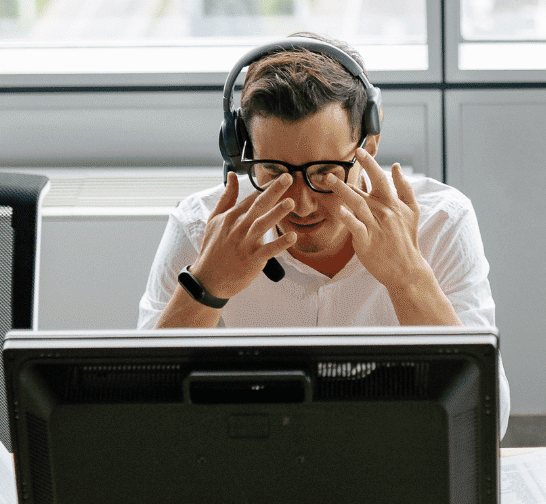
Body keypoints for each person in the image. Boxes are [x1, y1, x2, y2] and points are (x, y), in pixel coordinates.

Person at [138, 34, 508, 434]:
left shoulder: (441, 224)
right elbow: (139, 418)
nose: (301, 204)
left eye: (325, 172)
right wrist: (204, 289)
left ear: (370, 142)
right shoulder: (199, 230)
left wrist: (409, 278)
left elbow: (488, 422)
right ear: (241, 152)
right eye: (276, 173)